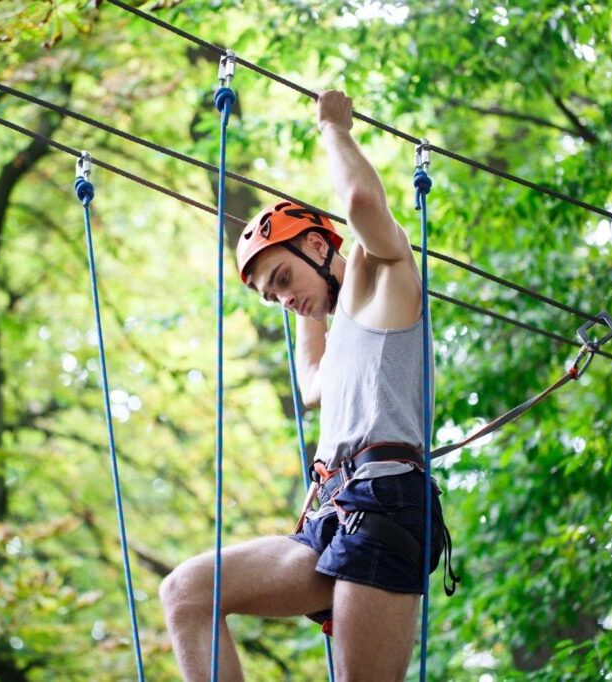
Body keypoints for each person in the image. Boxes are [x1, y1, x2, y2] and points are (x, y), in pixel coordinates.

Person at [159, 89, 454, 681]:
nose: (284, 299)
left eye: (284, 278)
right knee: (187, 592)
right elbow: (313, 384)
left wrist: (332, 128)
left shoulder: (383, 281)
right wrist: (304, 304)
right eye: (273, 296)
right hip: (337, 512)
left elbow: (362, 200)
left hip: (387, 502)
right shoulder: (342, 329)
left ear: (319, 244)